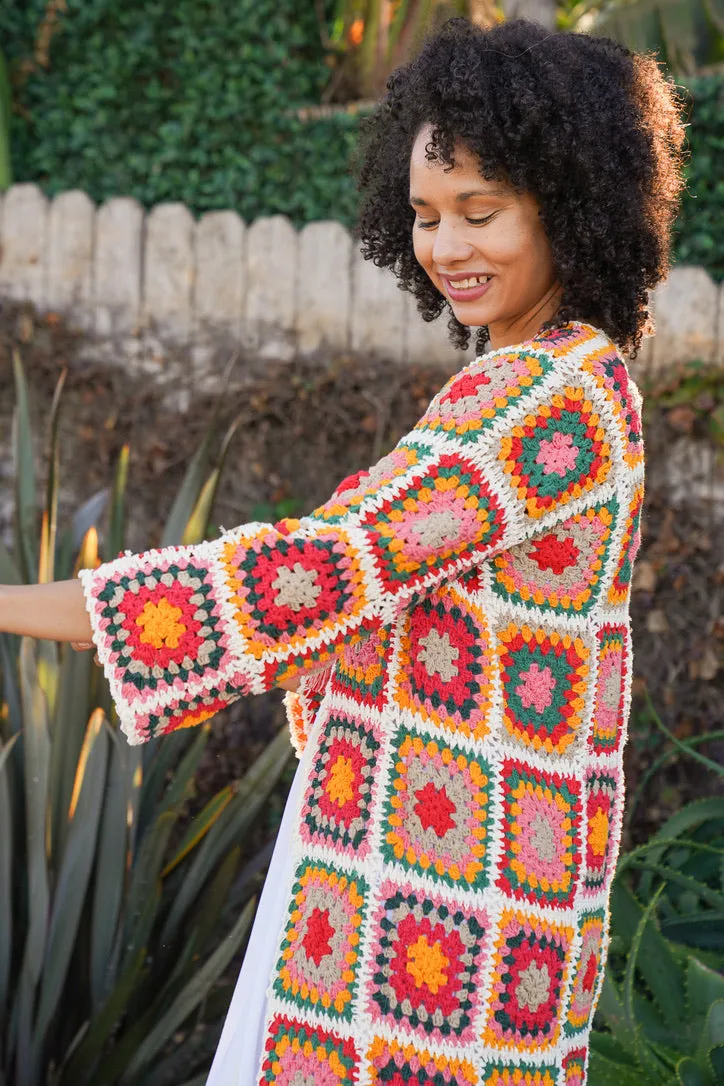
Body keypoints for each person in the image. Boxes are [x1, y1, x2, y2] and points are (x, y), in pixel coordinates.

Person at [0, 16, 686, 1085]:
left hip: (429, 914)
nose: (446, 247)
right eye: (422, 216)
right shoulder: (555, 382)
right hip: (439, 899)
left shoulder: (544, 398)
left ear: (567, 201)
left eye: (480, 212)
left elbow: (300, 584)